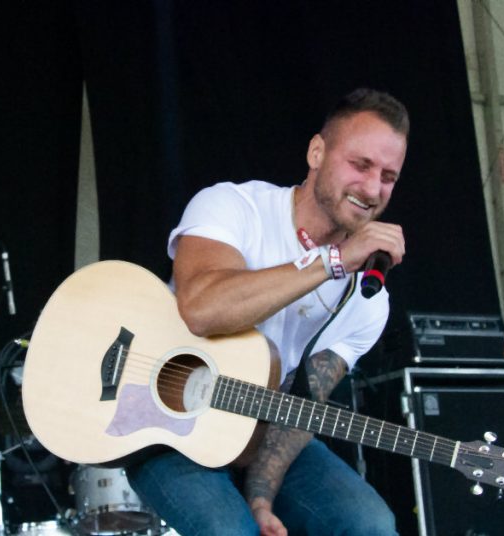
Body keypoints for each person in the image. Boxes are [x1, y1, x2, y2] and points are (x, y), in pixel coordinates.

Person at [126, 88, 408, 536]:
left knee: (371, 524)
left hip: (259, 436)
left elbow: (300, 410)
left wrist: (261, 498)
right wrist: (331, 261)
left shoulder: (368, 299)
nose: (373, 189)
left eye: (389, 176)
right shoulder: (234, 206)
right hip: (164, 423)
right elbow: (202, 308)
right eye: (361, 165)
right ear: (317, 152)